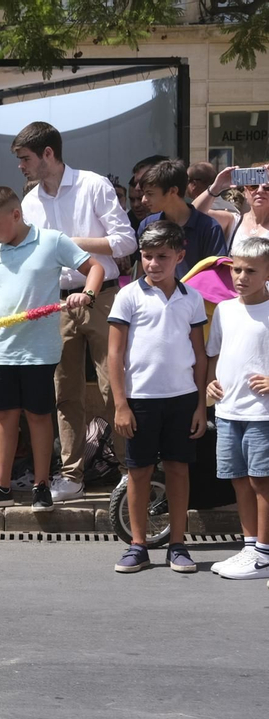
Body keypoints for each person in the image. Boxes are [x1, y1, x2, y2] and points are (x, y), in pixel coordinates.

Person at [0, 186, 104, 512]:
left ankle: (41, 485)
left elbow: (95, 268)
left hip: (39, 350)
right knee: (3, 416)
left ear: (16, 215)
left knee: (37, 416)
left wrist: (86, 295)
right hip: (2, 349)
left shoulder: (51, 240)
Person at [15, 121, 138, 502]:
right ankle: (71, 473)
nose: (21, 166)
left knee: (113, 386)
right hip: (56, 301)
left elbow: (125, 242)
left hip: (102, 295)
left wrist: (68, 244)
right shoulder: (30, 201)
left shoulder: (93, 184)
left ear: (48, 154)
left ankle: (128, 469)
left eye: (25, 158)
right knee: (64, 391)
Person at [106, 220, 208, 574]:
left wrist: (199, 405)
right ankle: (138, 545)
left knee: (179, 469)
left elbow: (199, 355)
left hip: (182, 400)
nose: (153, 263)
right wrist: (121, 404)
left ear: (180, 256)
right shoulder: (128, 295)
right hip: (140, 400)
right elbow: (115, 355)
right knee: (139, 471)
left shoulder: (191, 298)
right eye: (147, 256)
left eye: (162, 256)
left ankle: (178, 545)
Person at [204, 238, 269, 578]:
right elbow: (215, 353)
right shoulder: (226, 310)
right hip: (228, 412)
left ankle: (263, 554)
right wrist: (211, 384)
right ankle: (249, 547)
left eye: (250, 271)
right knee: (240, 482)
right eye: (237, 269)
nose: (241, 277)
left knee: (262, 483)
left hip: (262, 415)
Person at [136, 159, 229, 279]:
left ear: (173, 191)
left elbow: (216, 274)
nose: (144, 200)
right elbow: (140, 270)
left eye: (150, 193)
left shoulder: (209, 227)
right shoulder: (147, 225)